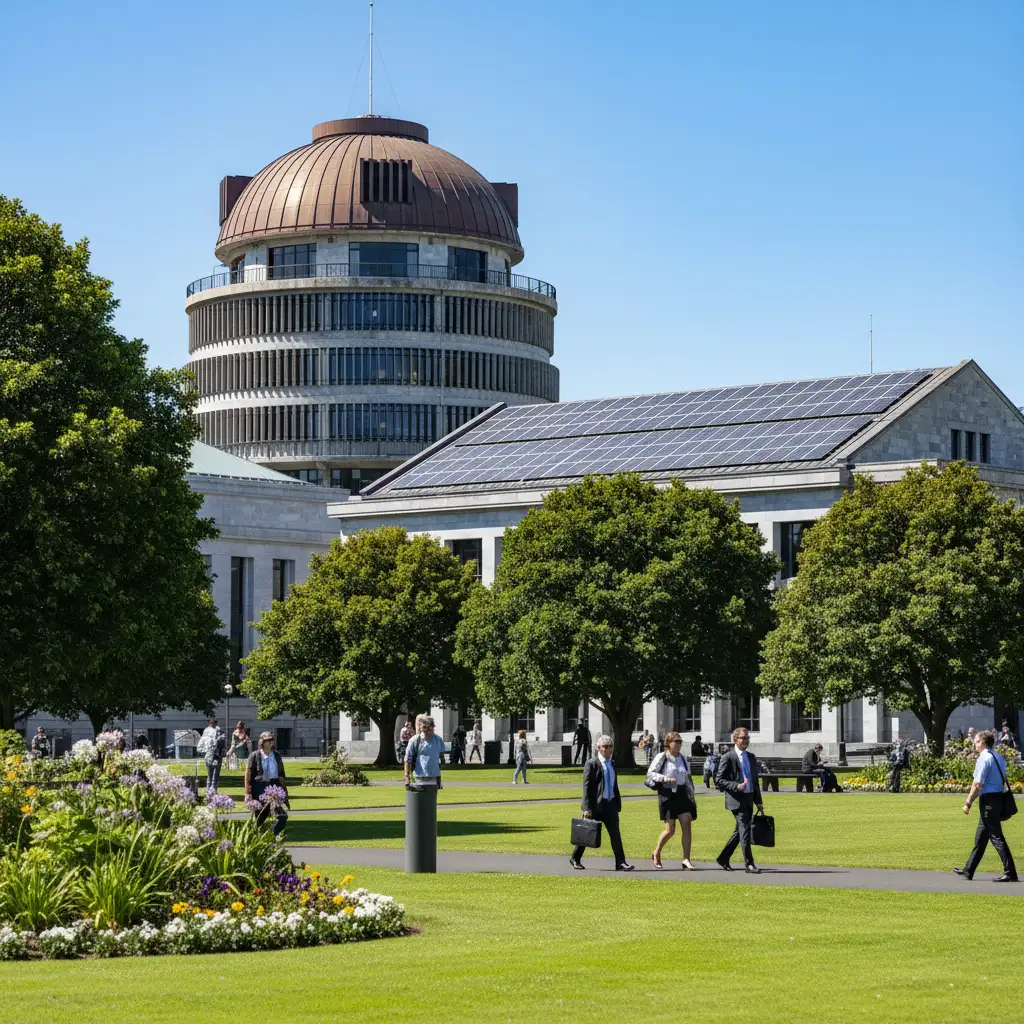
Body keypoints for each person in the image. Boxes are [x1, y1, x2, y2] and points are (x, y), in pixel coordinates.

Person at [954, 730, 1018, 883]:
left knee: (996, 836)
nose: (974, 744)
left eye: (976, 741)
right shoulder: (999, 757)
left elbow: (977, 784)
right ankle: (969, 869)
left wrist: (968, 803)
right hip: (997, 799)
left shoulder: (984, 758)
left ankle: (1010, 872)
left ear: (982, 743)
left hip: (988, 800)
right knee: (981, 837)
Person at [570, 734, 633, 871]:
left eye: (610, 747)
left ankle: (620, 862)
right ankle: (575, 858)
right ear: (598, 748)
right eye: (605, 747)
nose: (608, 749)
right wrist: (587, 808)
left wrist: (616, 802)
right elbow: (586, 787)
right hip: (595, 806)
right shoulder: (591, 764)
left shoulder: (612, 764)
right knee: (586, 833)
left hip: (610, 804)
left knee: (615, 834)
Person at [714, 726, 764, 874]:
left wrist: (758, 801)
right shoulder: (728, 757)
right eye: (743, 738)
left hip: (749, 797)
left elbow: (754, 781)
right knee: (745, 830)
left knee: (740, 831)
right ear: (735, 740)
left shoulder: (751, 757)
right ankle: (749, 864)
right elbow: (719, 780)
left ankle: (723, 857)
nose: (746, 741)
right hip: (736, 799)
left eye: (747, 738)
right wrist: (737, 786)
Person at [647, 731, 697, 870]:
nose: (678, 744)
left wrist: (691, 793)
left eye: (680, 742)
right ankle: (656, 852)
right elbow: (650, 773)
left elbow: (687, 776)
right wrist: (664, 779)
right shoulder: (662, 757)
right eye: (676, 741)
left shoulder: (683, 758)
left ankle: (686, 859)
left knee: (686, 822)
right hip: (667, 793)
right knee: (670, 830)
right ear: (668, 743)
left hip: (682, 793)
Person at [244, 731, 289, 835]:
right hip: (259, 788)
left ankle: (273, 834)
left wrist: (285, 792)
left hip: (274, 788)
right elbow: (248, 774)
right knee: (260, 818)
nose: (270, 742)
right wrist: (247, 792)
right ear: (262, 742)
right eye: (267, 740)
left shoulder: (276, 756)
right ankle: (257, 838)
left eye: (271, 740)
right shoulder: (254, 756)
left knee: (282, 816)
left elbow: (281, 775)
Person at [405, 714, 445, 787]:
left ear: (433, 727)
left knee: (431, 798)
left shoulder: (438, 740)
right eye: (424, 728)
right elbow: (407, 759)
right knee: (419, 797)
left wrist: (442, 764)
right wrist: (407, 777)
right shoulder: (414, 740)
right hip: (418, 776)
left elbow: (441, 756)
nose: (426, 732)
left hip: (434, 776)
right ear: (420, 728)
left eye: (429, 729)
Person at [198, 718, 226, 793]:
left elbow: (221, 743)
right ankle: (211, 789)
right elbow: (202, 742)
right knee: (212, 773)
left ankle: (212, 789)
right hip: (211, 754)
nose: (212, 724)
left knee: (214, 773)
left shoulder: (217, 731)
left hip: (215, 754)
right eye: (211, 723)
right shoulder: (208, 731)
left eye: (213, 723)